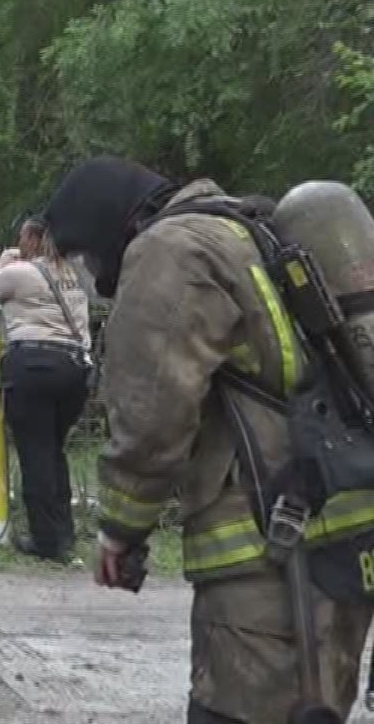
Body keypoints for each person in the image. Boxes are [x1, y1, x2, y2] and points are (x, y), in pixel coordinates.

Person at [41, 156, 374, 724]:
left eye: (87, 253)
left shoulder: (173, 250)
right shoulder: (244, 229)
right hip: (339, 528)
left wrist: (122, 529)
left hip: (270, 554)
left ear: (107, 224)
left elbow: (151, 412)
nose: (95, 272)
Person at [0, 214, 92, 562]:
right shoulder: (77, 274)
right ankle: (65, 533)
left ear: (30, 239)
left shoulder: (19, 273)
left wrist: (2, 260)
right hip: (74, 368)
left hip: (31, 365)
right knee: (54, 451)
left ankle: (46, 541)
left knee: (35, 455)